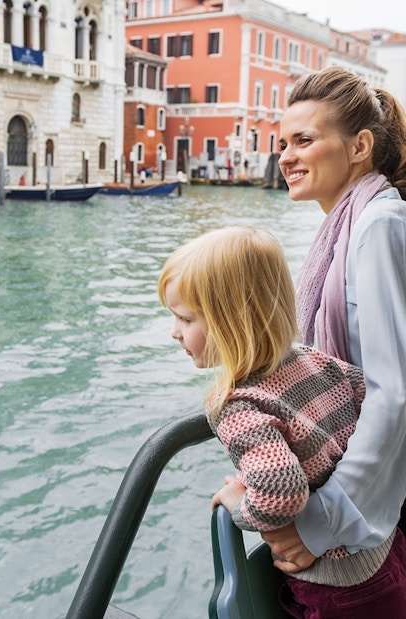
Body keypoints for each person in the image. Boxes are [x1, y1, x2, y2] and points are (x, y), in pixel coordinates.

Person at [157, 226, 406, 617]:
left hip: (339, 589)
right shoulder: (311, 360)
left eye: (185, 319)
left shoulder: (237, 405)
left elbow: (281, 490)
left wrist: (240, 507)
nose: (174, 333)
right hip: (384, 551)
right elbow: (367, 400)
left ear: (230, 322)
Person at [260, 65, 406, 580]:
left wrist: (323, 522)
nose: (286, 156)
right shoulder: (354, 224)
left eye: (304, 140)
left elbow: (394, 392)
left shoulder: (377, 226)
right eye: (282, 143)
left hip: (371, 522)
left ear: (359, 145)